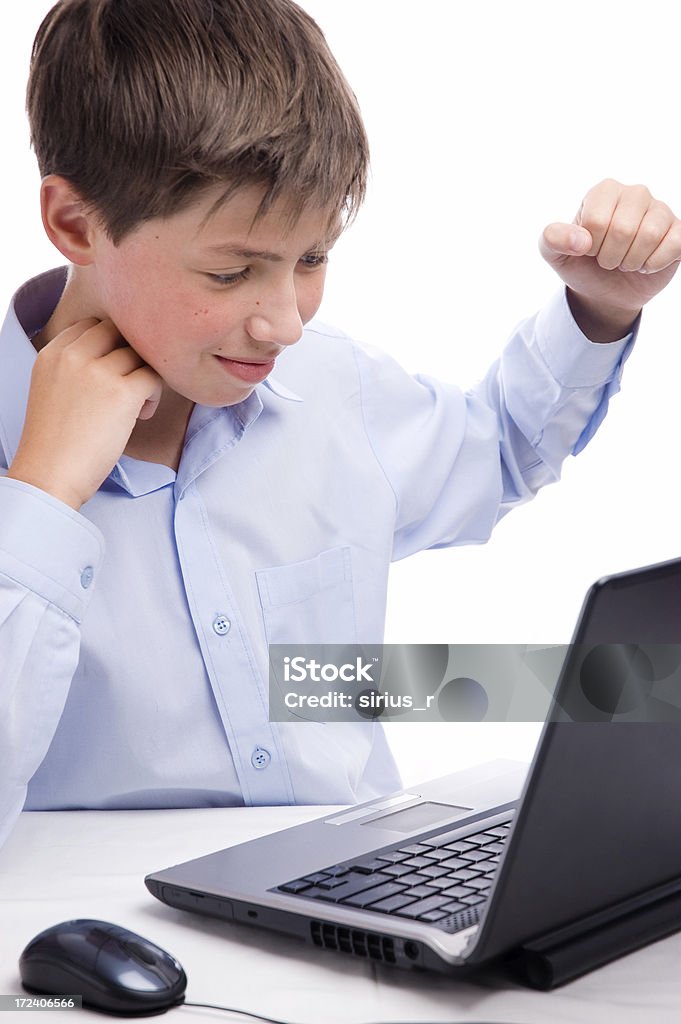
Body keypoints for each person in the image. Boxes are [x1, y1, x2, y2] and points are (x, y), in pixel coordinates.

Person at [0, 0, 679, 849]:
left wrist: (598, 309)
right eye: (231, 270)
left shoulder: (328, 388)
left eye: (312, 258)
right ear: (74, 223)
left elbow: (497, 450)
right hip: (97, 943)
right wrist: (42, 497)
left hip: (348, 909)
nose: (284, 322)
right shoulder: (18, 478)